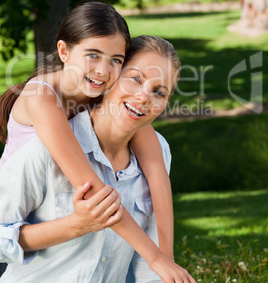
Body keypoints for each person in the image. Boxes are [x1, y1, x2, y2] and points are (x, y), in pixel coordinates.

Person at [0, 35, 196, 283]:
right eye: (135, 79)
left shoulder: (157, 151)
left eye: (159, 92)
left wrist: (164, 264)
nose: (145, 97)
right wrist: (75, 225)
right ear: (109, 80)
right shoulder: (45, 147)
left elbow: (152, 264)